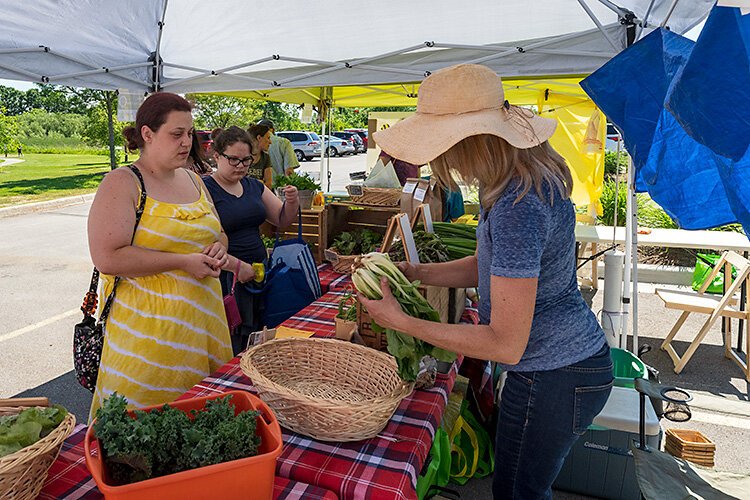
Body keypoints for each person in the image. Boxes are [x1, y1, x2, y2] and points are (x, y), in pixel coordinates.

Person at [363, 64, 612, 499]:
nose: (442, 161)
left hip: (552, 373)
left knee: (518, 493)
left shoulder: (518, 204)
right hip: (563, 365)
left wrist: (401, 320)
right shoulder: (522, 179)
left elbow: (503, 343)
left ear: (471, 142)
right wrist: (417, 272)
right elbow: (487, 262)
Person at [86, 92, 233, 421]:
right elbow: (108, 257)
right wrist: (183, 261)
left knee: (201, 428)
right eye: (176, 134)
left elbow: (218, 233)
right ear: (147, 134)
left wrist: (220, 248)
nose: (186, 142)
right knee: (143, 435)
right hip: (147, 340)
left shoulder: (195, 179)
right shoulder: (123, 182)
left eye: (190, 133)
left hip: (203, 329)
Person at [203, 126, 299, 354]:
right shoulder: (203, 188)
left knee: (258, 333)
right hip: (225, 277)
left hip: (257, 272)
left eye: (246, 160)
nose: (241, 166)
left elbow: (281, 219)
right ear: (217, 156)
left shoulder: (253, 186)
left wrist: (292, 202)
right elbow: (201, 241)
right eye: (234, 160)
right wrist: (235, 266)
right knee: (233, 338)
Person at [247, 123, 274, 188]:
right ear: (259, 138)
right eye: (268, 138)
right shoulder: (242, 156)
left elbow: (269, 185)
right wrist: (259, 182)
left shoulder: (265, 157)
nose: (270, 142)